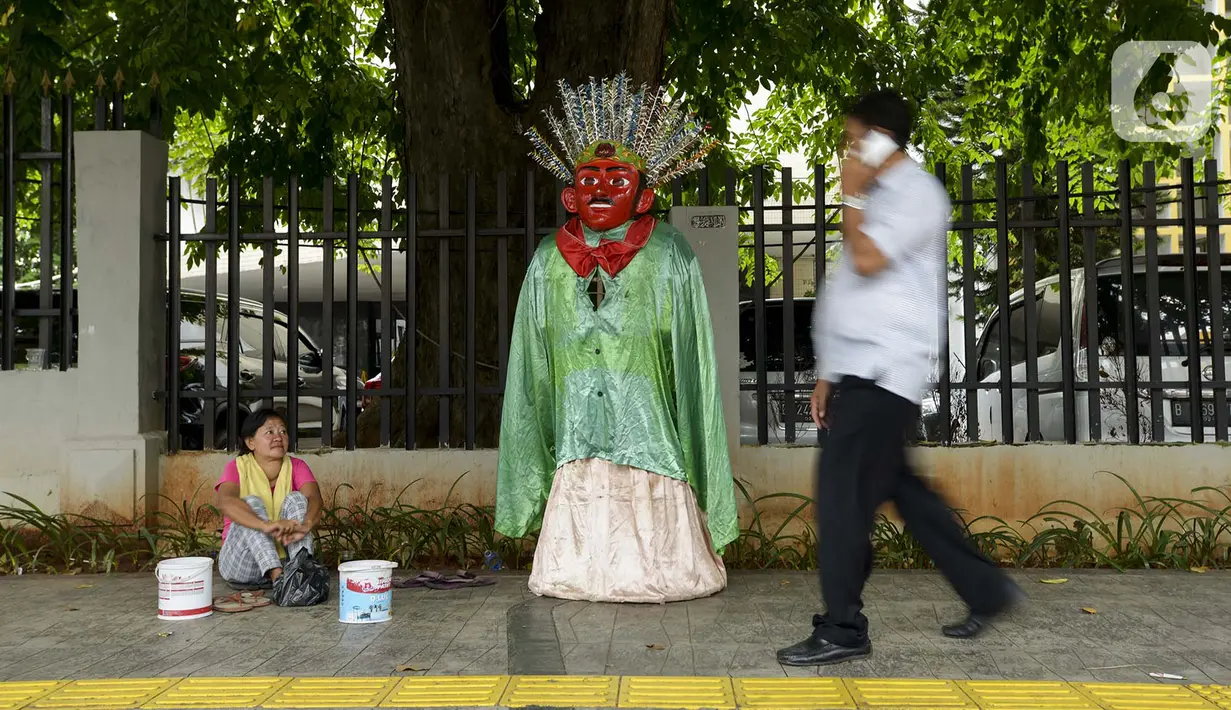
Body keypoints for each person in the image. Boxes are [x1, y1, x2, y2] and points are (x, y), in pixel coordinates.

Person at [776, 90, 1022, 667]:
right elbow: (851, 290)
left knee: (840, 501)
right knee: (904, 493)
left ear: (882, 137)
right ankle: (988, 590)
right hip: (862, 370)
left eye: (853, 137)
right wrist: (827, 373)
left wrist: (853, 191)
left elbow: (866, 261)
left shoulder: (915, 195)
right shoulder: (882, 195)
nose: (846, 150)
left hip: (885, 370)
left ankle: (842, 629)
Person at [495, 75, 738, 604]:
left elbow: (692, 360)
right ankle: (578, 569)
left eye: (618, 178)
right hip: (577, 422)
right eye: (589, 178)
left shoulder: (671, 253)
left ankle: (661, 567)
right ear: (569, 194)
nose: (602, 188)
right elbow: (531, 366)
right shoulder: (546, 260)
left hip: (649, 425)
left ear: (646, 194)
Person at [215, 408, 323, 592]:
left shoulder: (297, 466)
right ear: (250, 442)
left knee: (298, 498)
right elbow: (225, 501)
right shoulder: (237, 467)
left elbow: (315, 498)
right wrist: (263, 525)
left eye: (282, 431)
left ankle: (300, 571)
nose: (278, 437)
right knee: (249, 504)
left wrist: (306, 524)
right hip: (242, 565)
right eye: (269, 432)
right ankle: (278, 577)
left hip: (287, 560)